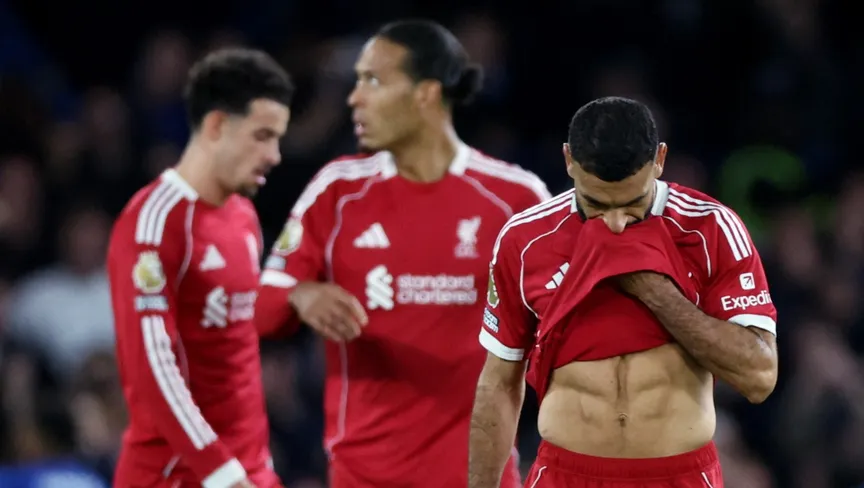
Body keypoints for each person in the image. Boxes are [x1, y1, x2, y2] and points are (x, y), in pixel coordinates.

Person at [255, 19, 551, 488]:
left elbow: (567, 329)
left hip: (478, 478)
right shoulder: (337, 191)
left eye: (373, 81)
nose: (354, 98)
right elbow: (261, 310)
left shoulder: (515, 198)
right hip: (362, 477)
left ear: (425, 94)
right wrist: (300, 295)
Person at [468, 97, 779, 488]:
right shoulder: (525, 239)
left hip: (678, 476)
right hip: (566, 475)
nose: (615, 223)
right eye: (596, 204)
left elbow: (759, 376)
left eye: (633, 203)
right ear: (568, 160)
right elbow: (498, 384)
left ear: (660, 160)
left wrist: (656, 292)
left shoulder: (710, 228)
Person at [107, 48, 294, 488]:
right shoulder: (153, 223)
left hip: (248, 470)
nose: (274, 155)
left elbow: (236, 354)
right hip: (177, 475)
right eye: (262, 136)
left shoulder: (244, 216)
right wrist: (221, 472)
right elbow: (152, 364)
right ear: (216, 125)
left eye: (278, 138)